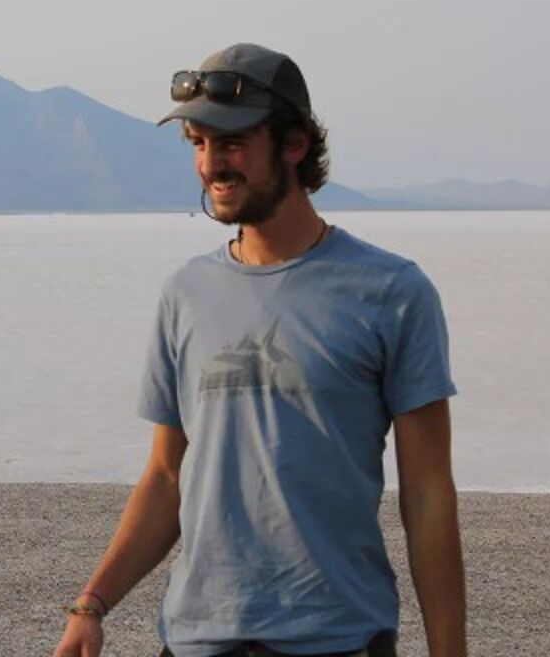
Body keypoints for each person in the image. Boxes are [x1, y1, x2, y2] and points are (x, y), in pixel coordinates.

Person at [52, 43, 466, 657]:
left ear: (294, 144)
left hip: (337, 641)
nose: (211, 164)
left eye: (232, 142)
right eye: (198, 143)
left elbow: (428, 493)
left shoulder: (392, 293)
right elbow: (167, 477)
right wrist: (92, 603)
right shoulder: (185, 293)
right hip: (195, 641)